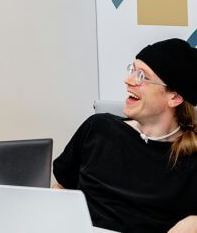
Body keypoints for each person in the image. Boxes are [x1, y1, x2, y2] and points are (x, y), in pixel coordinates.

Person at [54, 38, 197, 233]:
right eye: (132, 70)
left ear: (174, 97)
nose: (128, 80)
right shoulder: (98, 129)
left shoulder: (192, 158)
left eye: (142, 76)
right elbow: (61, 190)